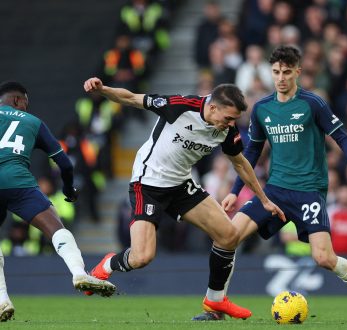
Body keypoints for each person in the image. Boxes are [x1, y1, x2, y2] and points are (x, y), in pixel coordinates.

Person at [83, 77, 285, 318]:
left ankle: (215, 301)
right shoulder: (179, 106)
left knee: (229, 236)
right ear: (212, 107)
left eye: (234, 120)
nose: (230, 124)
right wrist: (103, 89)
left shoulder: (226, 130)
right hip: (147, 184)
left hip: (180, 185)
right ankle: (107, 264)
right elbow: (131, 98)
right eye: (228, 118)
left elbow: (240, 163)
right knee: (142, 257)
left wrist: (263, 199)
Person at [193, 45, 347, 321]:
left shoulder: (312, 104)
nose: (281, 77)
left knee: (324, 259)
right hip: (273, 191)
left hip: (309, 191)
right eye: (276, 72)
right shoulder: (262, 108)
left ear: (297, 71)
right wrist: (236, 191)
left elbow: (343, 137)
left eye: (286, 72)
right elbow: (249, 153)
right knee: (228, 236)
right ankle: (215, 307)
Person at [0, 82, 116, 321]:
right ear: (17, 101)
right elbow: (64, 162)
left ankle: (2, 299)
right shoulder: (33, 122)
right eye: (25, 103)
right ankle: (78, 273)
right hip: (19, 182)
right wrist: (68, 188)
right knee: (55, 228)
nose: (26, 107)